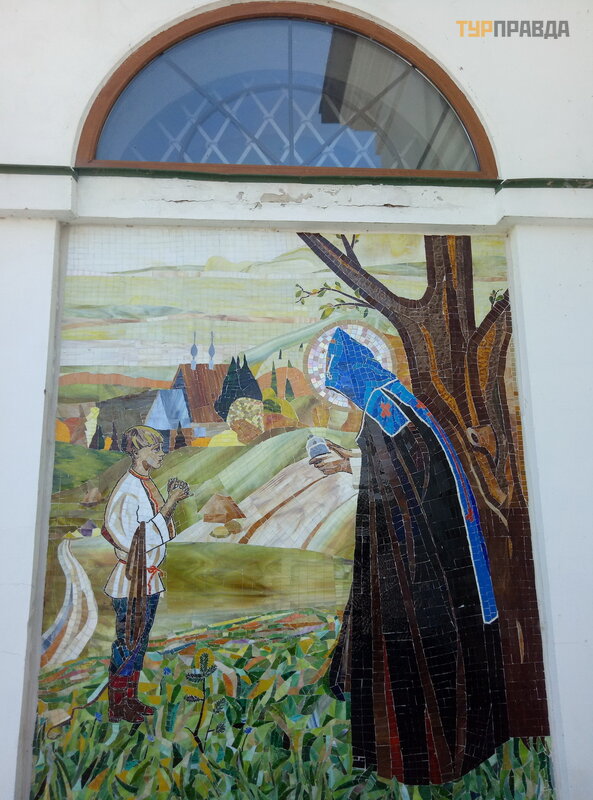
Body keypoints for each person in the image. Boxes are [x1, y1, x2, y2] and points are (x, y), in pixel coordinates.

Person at [310, 329, 508, 784]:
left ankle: (421, 757)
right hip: (428, 540)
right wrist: (351, 457)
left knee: (411, 641)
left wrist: (348, 464)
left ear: (350, 378)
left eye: (343, 389)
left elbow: (404, 468)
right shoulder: (392, 395)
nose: (346, 400)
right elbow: (400, 459)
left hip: (417, 553)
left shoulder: (382, 401)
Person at [101, 425, 191, 723]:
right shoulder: (128, 490)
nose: (161, 454)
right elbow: (134, 538)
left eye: (161, 448)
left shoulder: (143, 483)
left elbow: (152, 529)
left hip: (146, 580)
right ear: (138, 452)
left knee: (137, 644)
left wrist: (169, 502)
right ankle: (118, 704)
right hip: (132, 581)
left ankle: (130, 699)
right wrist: (171, 502)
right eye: (155, 449)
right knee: (127, 643)